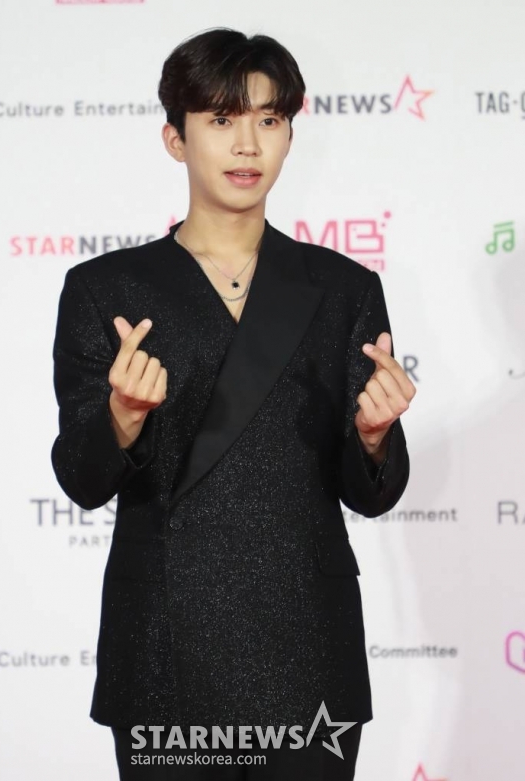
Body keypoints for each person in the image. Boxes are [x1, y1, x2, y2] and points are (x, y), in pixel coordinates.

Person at [51, 27, 416, 781]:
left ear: (289, 135)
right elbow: (82, 479)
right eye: (221, 119)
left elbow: (371, 494)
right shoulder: (106, 290)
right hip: (166, 648)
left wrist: (375, 435)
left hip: (305, 649)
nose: (248, 143)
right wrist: (122, 418)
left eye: (268, 119)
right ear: (175, 139)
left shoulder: (343, 289)